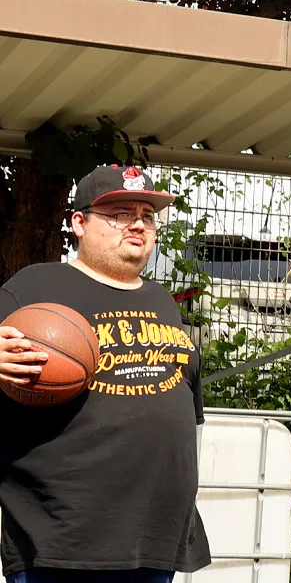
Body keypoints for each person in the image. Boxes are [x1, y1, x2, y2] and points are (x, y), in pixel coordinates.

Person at [0, 164, 211, 583]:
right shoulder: (33, 289)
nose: (137, 225)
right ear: (79, 223)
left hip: (155, 541)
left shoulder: (164, 301)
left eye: (147, 216)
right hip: (62, 546)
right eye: (120, 214)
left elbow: (188, 411)